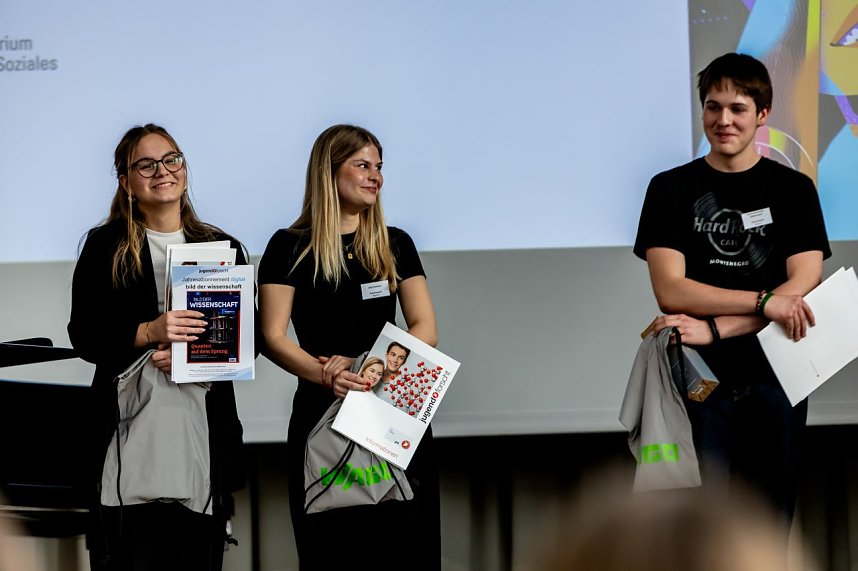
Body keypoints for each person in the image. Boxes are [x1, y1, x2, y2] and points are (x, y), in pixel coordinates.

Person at [634, 53, 830, 522]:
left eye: (737, 108)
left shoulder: (795, 190)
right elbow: (672, 291)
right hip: (697, 380)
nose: (723, 120)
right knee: (696, 524)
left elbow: (804, 282)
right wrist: (766, 301)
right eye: (712, 107)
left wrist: (719, 327)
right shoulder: (669, 189)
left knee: (769, 521)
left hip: (779, 375)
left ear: (762, 115)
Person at [258, 124, 440, 569]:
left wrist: (367, 364)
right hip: (323, 414)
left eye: (379, 167)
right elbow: (272, 336)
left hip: (392, 411)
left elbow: (425, 327)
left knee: (406, 548)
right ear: (329, 172)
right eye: (362, 165)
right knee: (333, 550)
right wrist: (326, 373)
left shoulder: (396, 243)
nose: (375, 175)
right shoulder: (288, 247)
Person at [68, 124, 247, 571]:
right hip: (128, 435)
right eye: (145, 164)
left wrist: (194, 361)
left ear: (184, 169)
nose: (162, 171)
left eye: (172, 159)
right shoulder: (104, 245)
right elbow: (85, 334)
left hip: (202, 438)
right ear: (126, 182)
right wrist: (149, 331)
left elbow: (249, 343)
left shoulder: (222, 246)